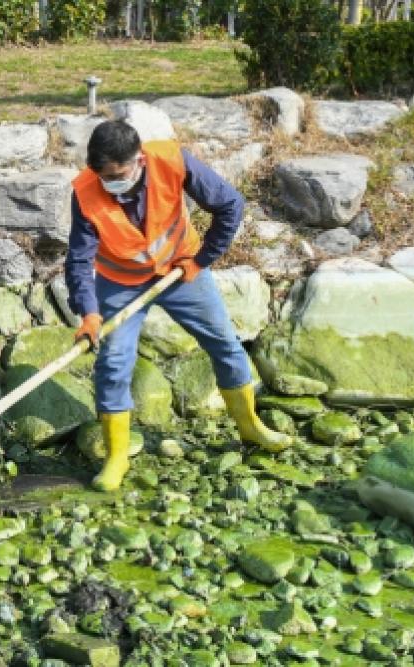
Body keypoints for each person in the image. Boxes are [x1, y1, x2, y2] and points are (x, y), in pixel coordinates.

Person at [65, 120, 290, 492]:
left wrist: (202, 260)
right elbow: (78, 260)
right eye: (104, 177)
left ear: (138, 159)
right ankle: (117, 456)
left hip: (180, 269)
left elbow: (231, 204)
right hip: (120, 282)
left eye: (117, 176)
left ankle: (250, 427)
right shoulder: (87, 191)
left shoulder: (171, 160)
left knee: (224, 343)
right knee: (114, 361)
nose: (111, 184)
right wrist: (88, 312)